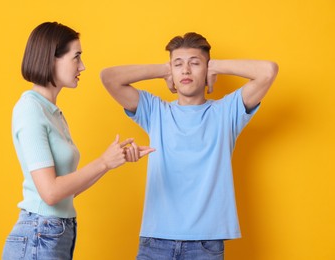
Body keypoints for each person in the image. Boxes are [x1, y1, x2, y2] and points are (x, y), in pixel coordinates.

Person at [100, 32, 278, 260]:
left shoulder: (226, 112)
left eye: (195, 64)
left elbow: (268, 72)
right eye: (178, 64)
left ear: (207, 71)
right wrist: (163, 70)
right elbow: (108, 77)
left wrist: (216, 66)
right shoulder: (155, 111)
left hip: (205, 244)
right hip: (155, 240)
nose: (185, 70)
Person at [2, 22, 155, 260]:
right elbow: (50, 193)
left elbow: (66, 193)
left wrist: (113, 161)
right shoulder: (30, 109)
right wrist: (103, 162)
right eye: (77, 57)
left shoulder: (52, 112)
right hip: (39, 236)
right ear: (51, 58)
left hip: (54, 234)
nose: (82, 66)